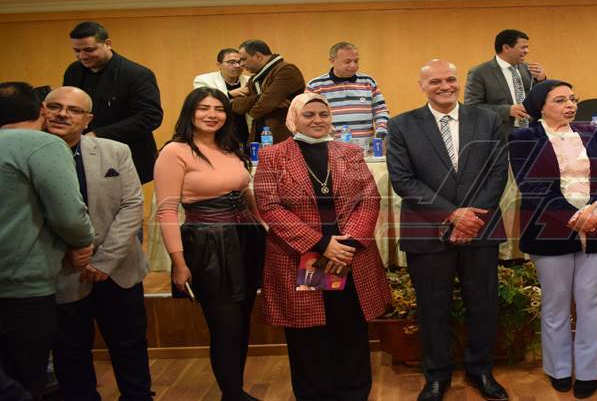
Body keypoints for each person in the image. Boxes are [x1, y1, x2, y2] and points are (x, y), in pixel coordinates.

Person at [253, 92, 391, 400]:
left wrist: (348, 243)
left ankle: (354, 394)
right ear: (294, 118)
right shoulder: (273, 156)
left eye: (323, 114)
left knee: (349, 328)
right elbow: (269, 207)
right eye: (309, 114)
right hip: (304, 254)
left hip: (347, 255)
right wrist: (321, 243)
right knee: (310, 333)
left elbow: (369, 198)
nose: (318, 120)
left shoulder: (349, 152)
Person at [388, 59, 510, 401]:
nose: (445, 86)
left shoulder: (486, 120)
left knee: (483, 305)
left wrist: (470, 219)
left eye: (451, 79)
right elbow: (403, 180)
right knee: (432, 308)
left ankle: (480, 370)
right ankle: (437, 376)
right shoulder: (401, 125)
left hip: (480, 228)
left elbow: (497, 171)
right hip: (428, 232)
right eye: (436, 81)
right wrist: (452, 215)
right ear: (422, 86)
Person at [507, 79, 597, 399]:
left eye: (572, 99)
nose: (570, 105)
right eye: (560, 100)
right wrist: (573, 217)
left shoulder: (591, 132)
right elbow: (532, 186)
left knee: (591, 302)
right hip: (549, 230)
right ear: (540, 106)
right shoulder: (523, 137)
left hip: (595, 226)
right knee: (555, 303)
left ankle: (589, 371)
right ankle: (560, 369)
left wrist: (594, 211)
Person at [154, 87, 266, 401]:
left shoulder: (229, 147)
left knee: (242, 322)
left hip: (246, 239)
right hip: (208, 243)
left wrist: (264, 226)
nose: (212, 114)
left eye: (219, 109)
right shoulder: (175, 151)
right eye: (204, 108)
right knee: (225, 327)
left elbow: (244, 191)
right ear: (190, 112)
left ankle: (234, 392)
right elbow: (166, 210)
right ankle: (233, 394)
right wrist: (178, 263)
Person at [42, 87, 153, 400]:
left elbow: (132, 205)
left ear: (88, 119)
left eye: (73, 110)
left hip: (118, 268)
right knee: (70, 351)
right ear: (43, 111)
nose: (63, 114)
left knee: (130, 345)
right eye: (55, 106)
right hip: (63, 271)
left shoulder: (114, 150)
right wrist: (69, 252)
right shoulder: (31, 154)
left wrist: (104, 260)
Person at [0, 82, 95, 400]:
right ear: (41, 109)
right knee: (26, 380)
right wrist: (83, 242)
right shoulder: (43, 145)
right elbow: (69, 216)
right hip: (23, 285)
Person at [63, 21, 163, 184]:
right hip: (82, 153)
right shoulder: (73, 71)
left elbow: (150, 117)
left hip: (126, 154)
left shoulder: (137, 74)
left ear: (108, 44)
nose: (82, 56)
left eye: (89, 50)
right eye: (77, 51)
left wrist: (97, 135)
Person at [465, 29, 548, 136]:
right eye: (523, 47)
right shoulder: (479, 73)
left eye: (527, 47)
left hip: (532, 133)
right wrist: (507, 110)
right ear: (506, 48)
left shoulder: (529, 69)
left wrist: (542, 80)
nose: (527, 51)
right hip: (500, 135)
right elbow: (472, 108)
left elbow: (540, 100)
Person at [306, 41, 390, 139]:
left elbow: (381, 110)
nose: (353, 65)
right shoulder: (315, 86)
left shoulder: (368, 82)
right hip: (331, 145)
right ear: (332, 61)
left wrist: (381, 131)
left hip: (366, 145)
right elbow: (307, 116)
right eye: (347, 62)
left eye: (356, 61)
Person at [231, 39, 305, 144]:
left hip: (285, 139)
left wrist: (266, 101)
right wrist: (267, 98)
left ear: (258, 56)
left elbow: (257, 110)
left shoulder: (287, 70)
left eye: (244, 59)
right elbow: (236, 105)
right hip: (259, 138)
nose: (241, 64)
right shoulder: (254, 79)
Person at [194, 48, 251, 145]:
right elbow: (204, 100)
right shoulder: (203, 80)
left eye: (239, 62)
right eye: (231, 62)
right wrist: (230, 94)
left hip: (245, 131)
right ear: (219, 65)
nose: (237, 66)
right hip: (218, 131)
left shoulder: (250, 81)